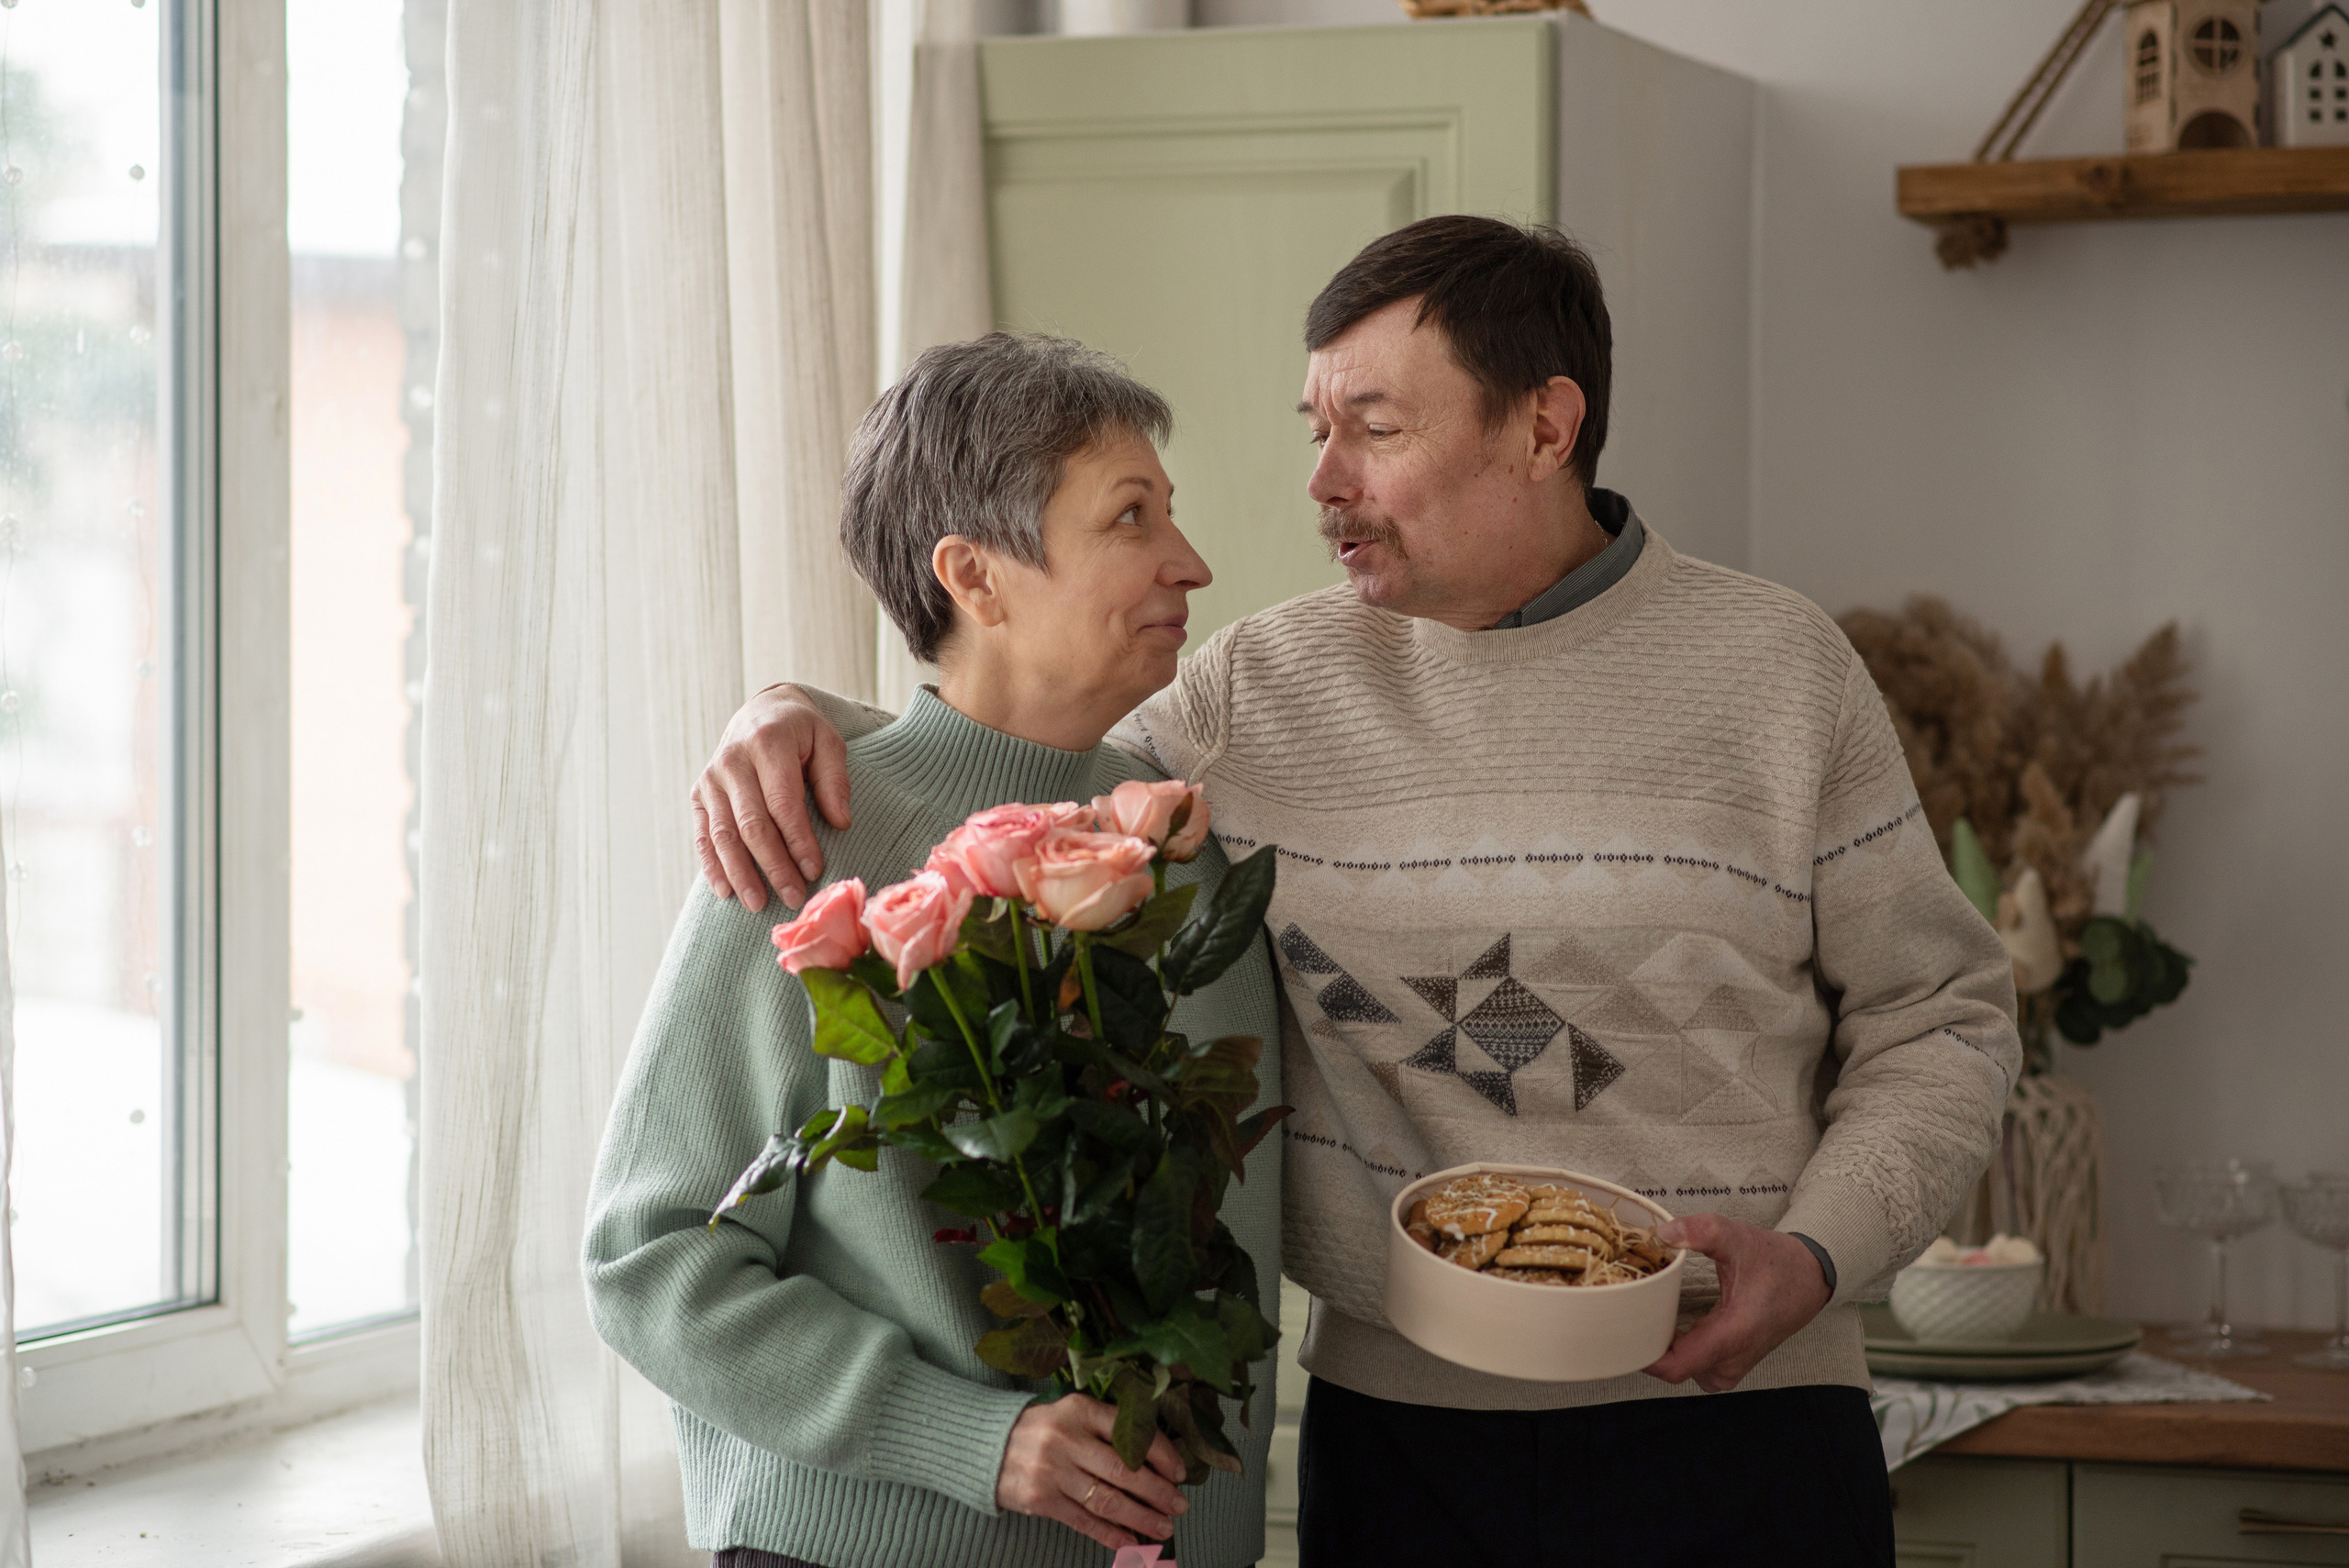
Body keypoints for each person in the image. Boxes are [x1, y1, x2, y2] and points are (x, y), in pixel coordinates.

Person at [692, 217, 2021, 1566]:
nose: (1322, 480)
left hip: (1752, 1417)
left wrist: (1813, 1255)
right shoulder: (1249, 697)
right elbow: (1000, 761)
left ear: (1546, 426)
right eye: (1314, 426)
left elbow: (1944, 1021)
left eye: (1374, 428)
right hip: (1400, 1450)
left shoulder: (1780, 672)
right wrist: (795, 713)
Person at [584, 334, 1283, 1568]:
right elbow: (653, 1257)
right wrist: (974, 1436)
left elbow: (1229, 1265)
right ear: (976, 575)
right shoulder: (804, 838)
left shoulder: (1184, 845)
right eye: (1132, 517)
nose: (1192, 562)